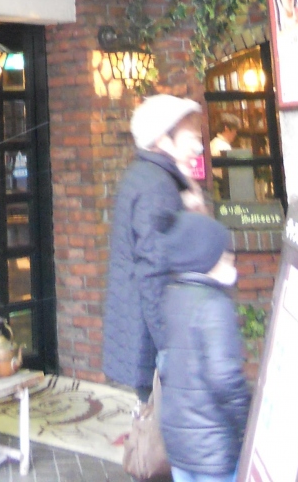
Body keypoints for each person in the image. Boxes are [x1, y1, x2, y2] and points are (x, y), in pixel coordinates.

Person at [103, 94, 206, 402]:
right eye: (190, 138)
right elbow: (155, 274)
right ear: (163, 140)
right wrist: (173, 350)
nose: (198, 148)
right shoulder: (158, 187)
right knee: (163, 425)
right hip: (153, 343)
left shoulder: (145, 176)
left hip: (141, 335)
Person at [158, 211, 251, 482]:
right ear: (206, 257)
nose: (231, 261)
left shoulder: (173, 296)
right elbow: (225, 378)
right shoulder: (214, 305)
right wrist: (247, 422)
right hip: (213, 445)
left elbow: (166, 365)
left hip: (178, 439)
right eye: (224, 256)